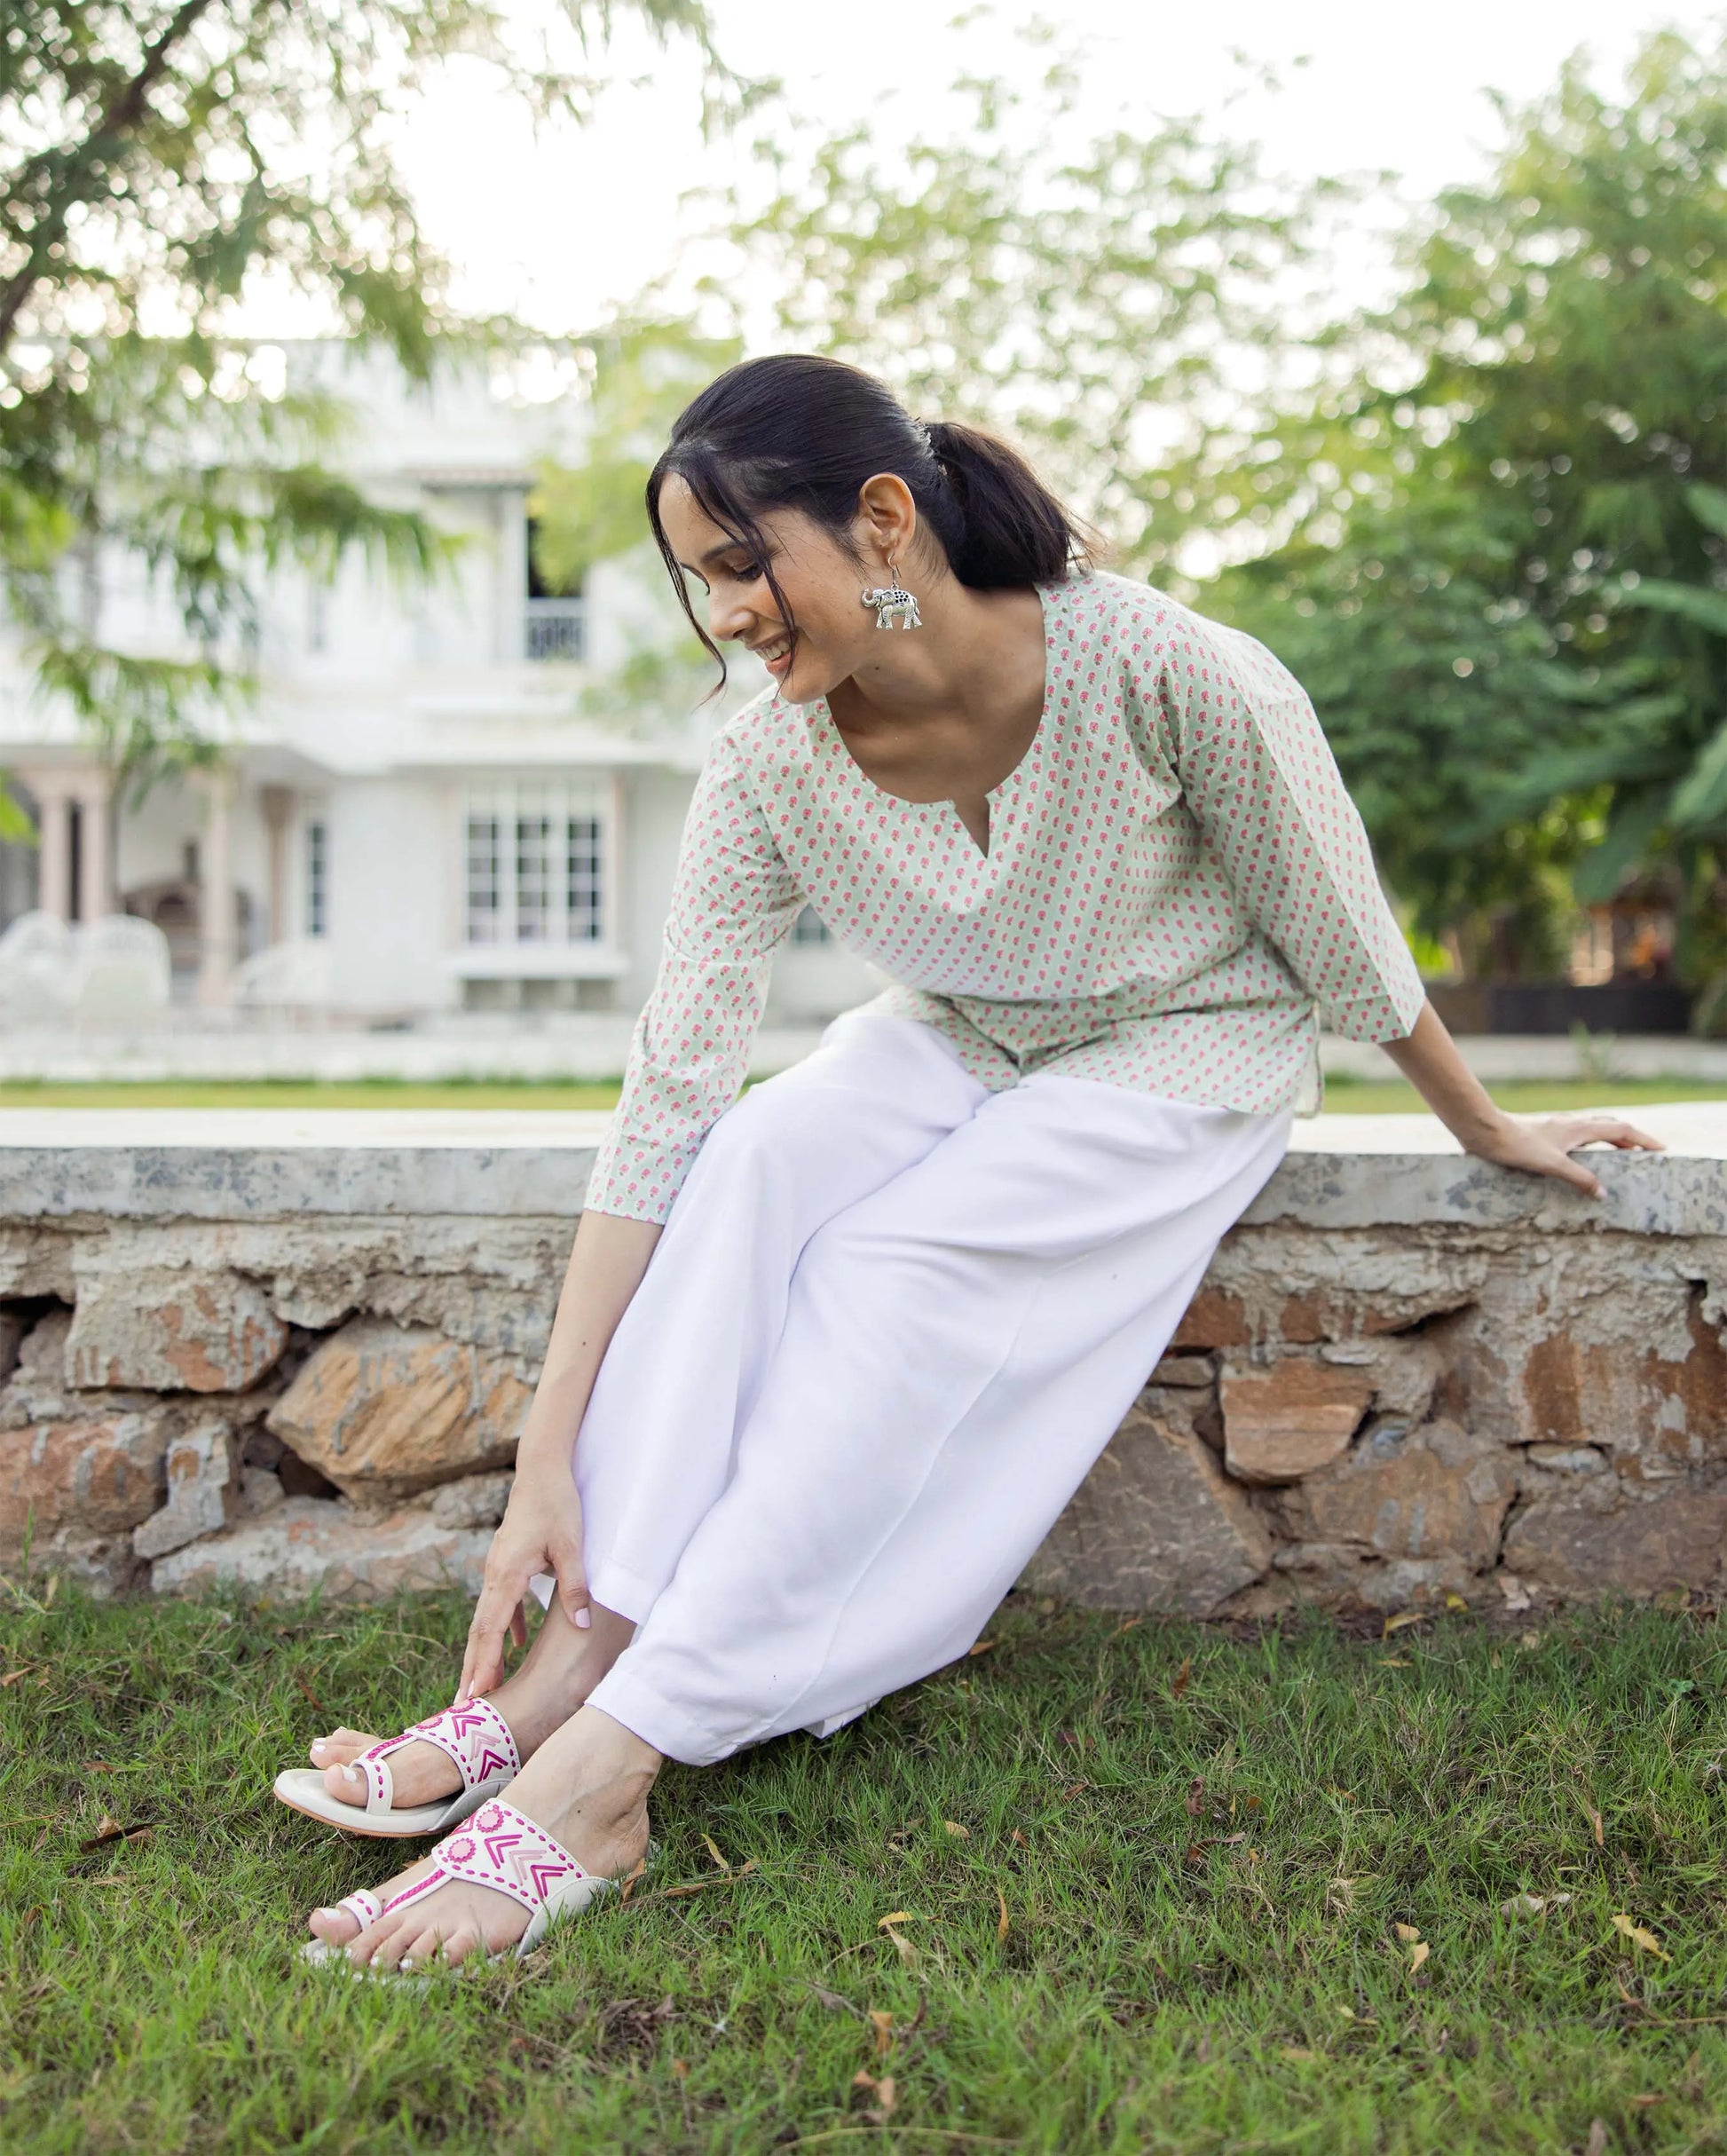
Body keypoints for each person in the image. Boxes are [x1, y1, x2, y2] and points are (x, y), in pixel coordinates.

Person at [276, 353, 1660, 1974]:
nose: (724, 613)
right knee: (761, 1158)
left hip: (1182, 1043)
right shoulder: (767, 759)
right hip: (957, 1031)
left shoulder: (1171, 671)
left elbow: (1341, 941)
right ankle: (567, 1663)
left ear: (880, 522)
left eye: (741, 564)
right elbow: (673, 1090)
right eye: (696, 582)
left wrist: (1484, 1126)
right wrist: (547, 1452)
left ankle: (612, 1763)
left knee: (891, 1273)